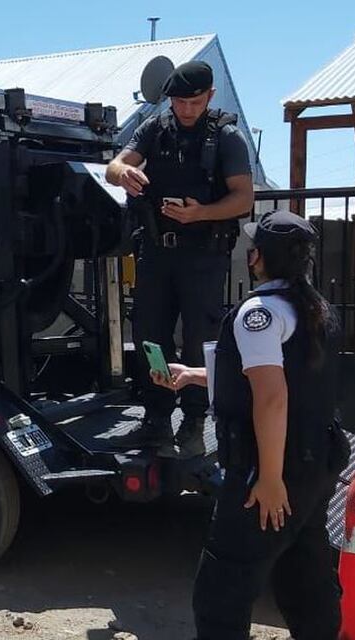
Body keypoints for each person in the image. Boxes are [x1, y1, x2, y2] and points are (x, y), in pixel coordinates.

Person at [151, 210, 350, 639]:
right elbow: (275, 377)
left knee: (222, 590)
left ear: (257, 257)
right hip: (317, 459)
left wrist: (271, 479)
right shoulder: (317, 310)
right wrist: (191, 374)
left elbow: (272, 397)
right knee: (304, 571)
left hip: (271, 467)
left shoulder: (257, 313)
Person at [106, 60, 254, 455]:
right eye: (178, 101)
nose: (185, 109)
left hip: (203, 255)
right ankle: (155, 418)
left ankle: (192, 422)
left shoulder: (226, 137)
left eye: (193, 101)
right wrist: (123, 174)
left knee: (198, 341)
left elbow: (244, 198)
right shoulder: (155, 128)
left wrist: (200, 213)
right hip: (156, 252)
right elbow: (115, 165)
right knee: (150, 336)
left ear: (208, 96)